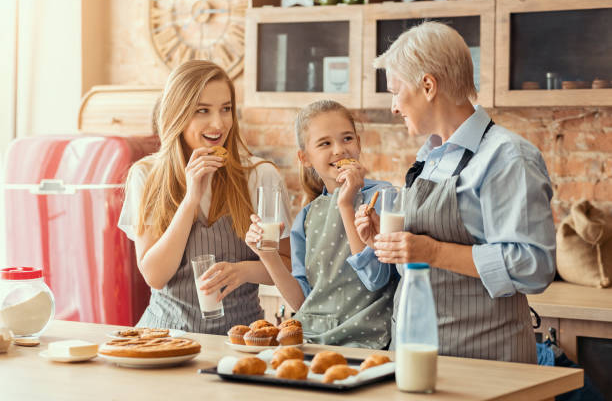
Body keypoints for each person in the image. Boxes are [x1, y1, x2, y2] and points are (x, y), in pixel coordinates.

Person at [353, 21, 556, 363]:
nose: (393, 107)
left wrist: (432, 251)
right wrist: (388, 244)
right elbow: (424, 264)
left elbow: (534, 265)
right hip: (419, 356)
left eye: (395, 91)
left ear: (428, 86)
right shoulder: (429, 156)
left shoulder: (506, 156)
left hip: (483, 362)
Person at [118, 60, 292, 333]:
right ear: (177, 113)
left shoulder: (260, 176)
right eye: (202, 110)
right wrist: (190, 199)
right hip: (163, 337)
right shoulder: (146, 175)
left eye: (226, 109)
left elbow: (287, 265)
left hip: (241, 339)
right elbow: (155, 276)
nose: (218, 123)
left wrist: (244, 271)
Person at [245, 100, 397, 349]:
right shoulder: (306, 217)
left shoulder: (383, 197)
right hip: (312, 341)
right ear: (304, 158)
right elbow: (302, 302)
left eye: (347, 138)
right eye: (325, 143)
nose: (339, 150)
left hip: (365, 343)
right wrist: (267, 255)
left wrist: (347, 204)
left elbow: (376, 279)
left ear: (358, 143)